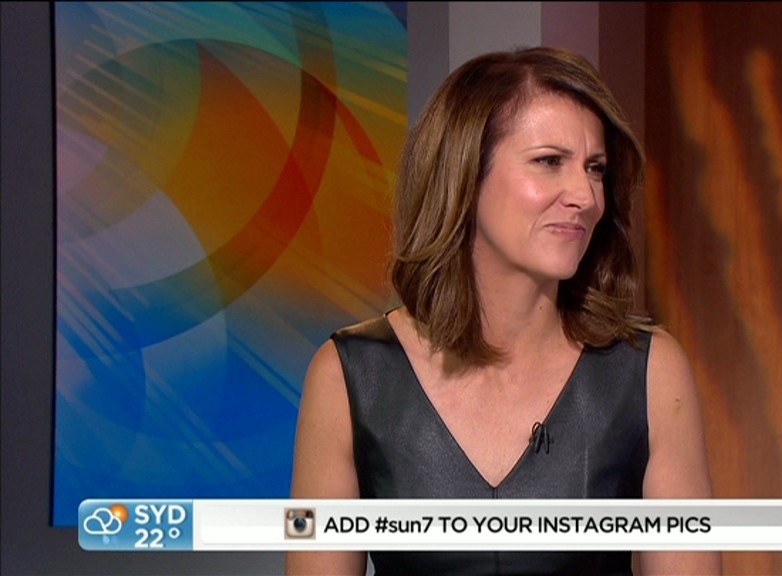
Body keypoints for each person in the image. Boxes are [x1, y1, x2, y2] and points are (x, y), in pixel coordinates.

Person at [287, 46, 719, 576]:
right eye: (549, 162)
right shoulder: (348, 376)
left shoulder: (650, 372)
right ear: (466, 174)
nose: (585, 196)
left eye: (595, 169)